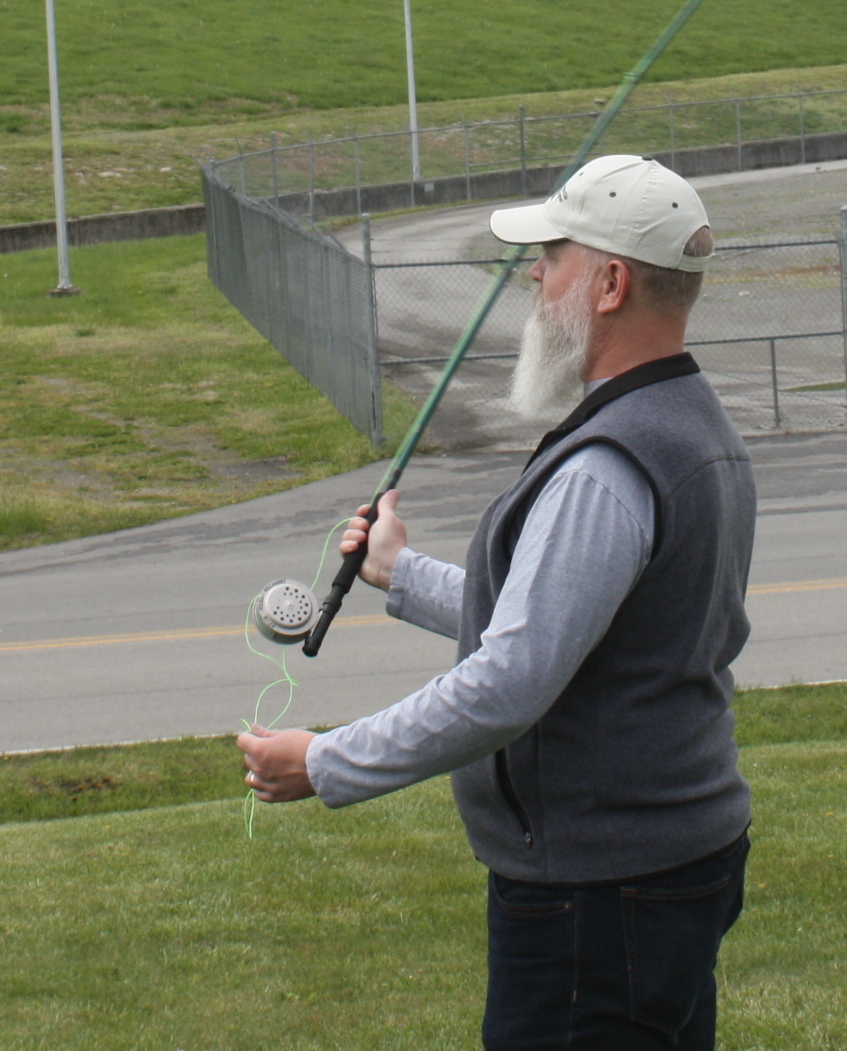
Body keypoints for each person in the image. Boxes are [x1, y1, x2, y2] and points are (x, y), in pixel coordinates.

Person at [238, 154, 759, 1050]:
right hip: (663, 868)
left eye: (551, 258)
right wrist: (402, 573)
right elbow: (577, 627)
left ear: (610, 284)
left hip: (600, 898)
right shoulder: (689, 422)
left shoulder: (606, 466)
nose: (534, 279)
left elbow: (511, 681)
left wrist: (325, 762)